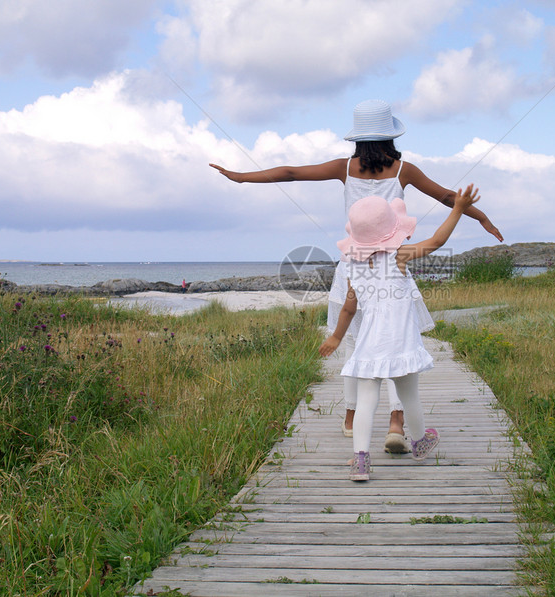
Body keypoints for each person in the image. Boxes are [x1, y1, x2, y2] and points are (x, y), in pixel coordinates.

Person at [210, 100, 503, 452]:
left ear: (358, 139)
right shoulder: (403, 170)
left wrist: (242, 177)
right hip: (394, 263)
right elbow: (446, 197)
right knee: (397, 341)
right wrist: (480, 216)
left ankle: (351, 418)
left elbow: (289, 173)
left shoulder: (344, 168)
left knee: (354, 342)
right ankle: (397, 422)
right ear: (391, 136)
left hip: (353, 264)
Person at [319, 184, 481, 481]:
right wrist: (457, 209)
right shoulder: (400, 257)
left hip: (369, 347)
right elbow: (437, 240)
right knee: (410, 397)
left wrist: (335, 338)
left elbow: (348, 310)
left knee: (367, 401)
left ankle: (360, 461)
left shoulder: (353, 267)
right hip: (401, 345)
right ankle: (420, 442)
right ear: (393, 231)